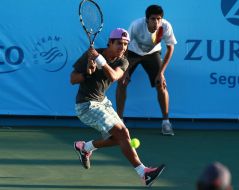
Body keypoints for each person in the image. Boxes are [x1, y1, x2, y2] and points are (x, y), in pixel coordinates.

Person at [70, 28, 165, 187]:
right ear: (110, 43)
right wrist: (87, 73)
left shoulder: (123, 61)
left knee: (120, 137)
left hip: (103, 102)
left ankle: (85, 147)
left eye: (126, 44)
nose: (123, 47)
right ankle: (144, 173)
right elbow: (73, 79)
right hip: (86, 105)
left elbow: (114, 76)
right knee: (122, 133)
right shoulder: (89, 55)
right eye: (119, 43)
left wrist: (100, 61)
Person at [116, 5, 177, 136]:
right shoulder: (136, 25)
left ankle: (166, 123)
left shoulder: (166, 26)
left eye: (158, 19)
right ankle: (119, 122)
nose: (156, 22)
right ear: (147, 19)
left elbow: (170, 49)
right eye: (153, 19)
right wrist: (125, 70)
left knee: (161, 84)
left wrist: (161, 73)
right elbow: (124, 46)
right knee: (122, 82)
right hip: (132, 52)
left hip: (153, 53)